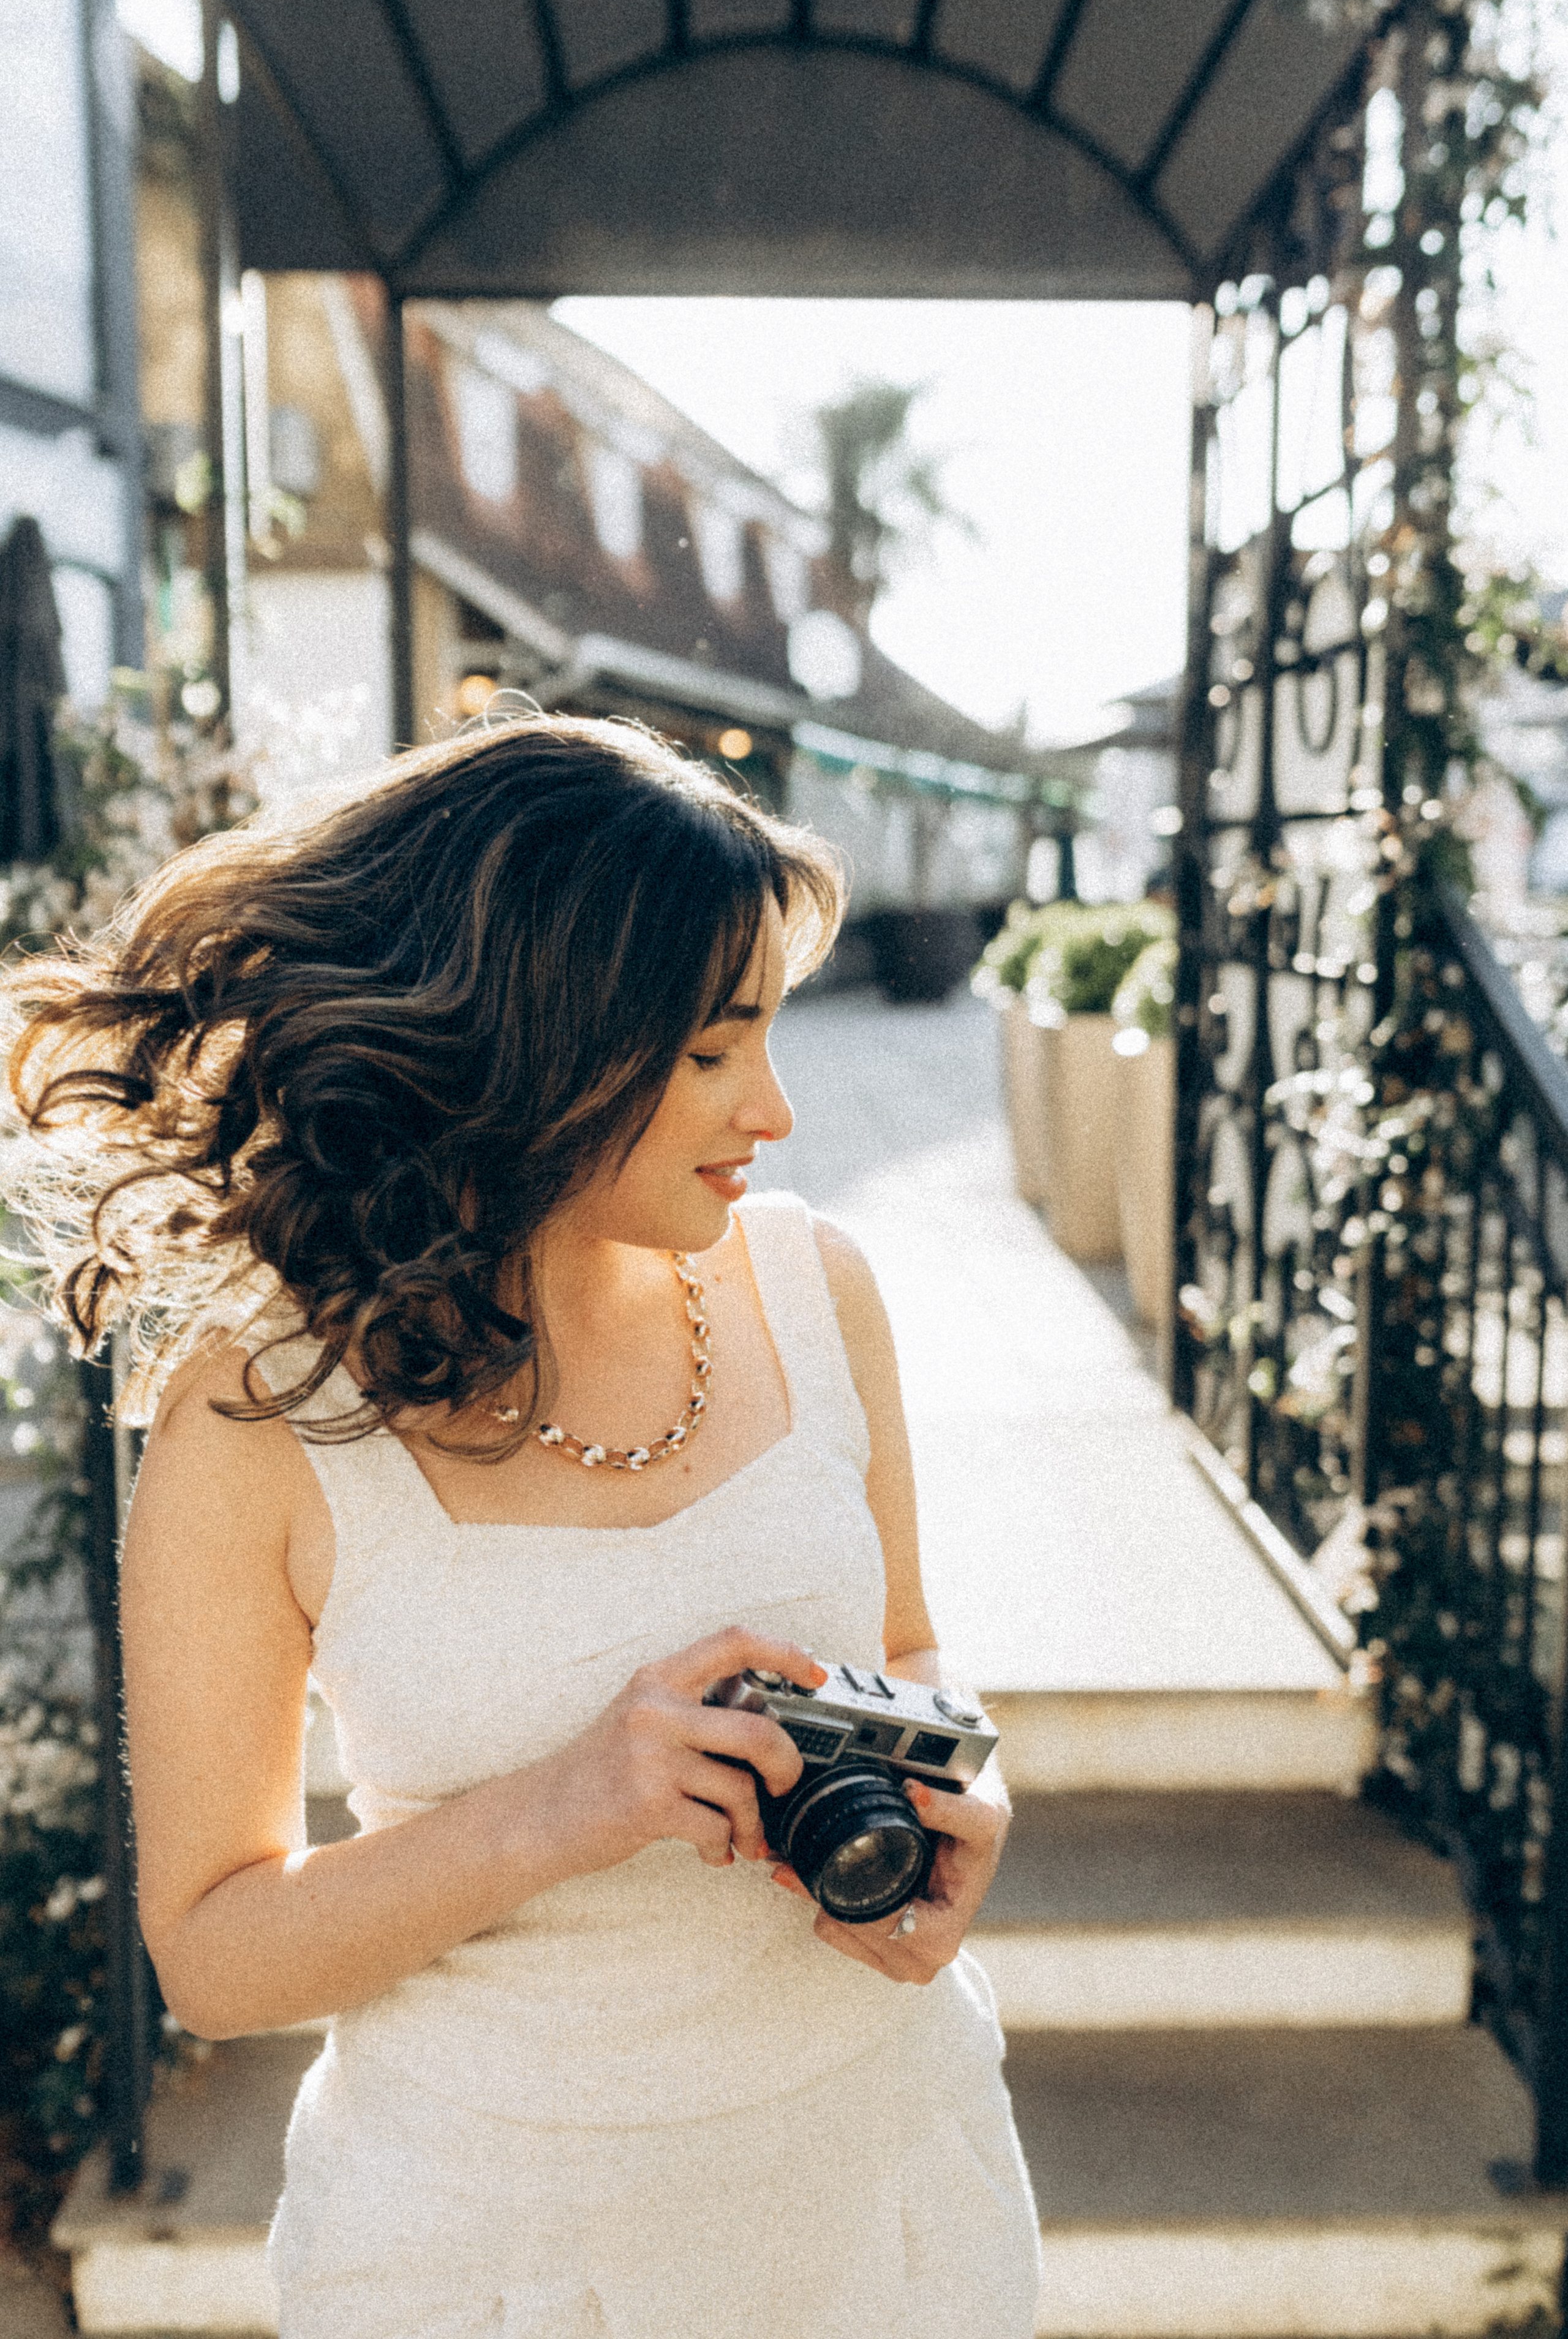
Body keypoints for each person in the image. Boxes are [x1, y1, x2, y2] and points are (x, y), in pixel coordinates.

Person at [2, 715, 1041, 2338]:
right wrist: (572, 1804)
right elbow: (212, 1950)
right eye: (712, 1050)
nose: (771, 1107)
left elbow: (912, 1651)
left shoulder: (816, 1288)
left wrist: (957, 1819)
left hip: (880, 2184)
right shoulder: (253, 1418)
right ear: (536, 1037)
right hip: (493, 2253)